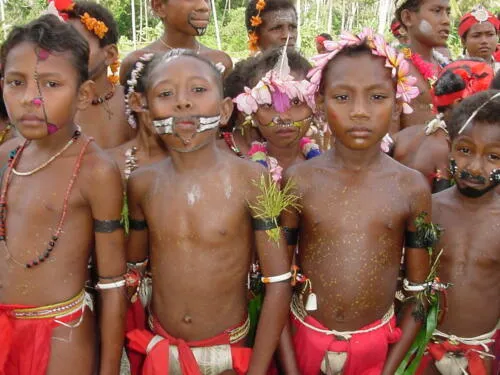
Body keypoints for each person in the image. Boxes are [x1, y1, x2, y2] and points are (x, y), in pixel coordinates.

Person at [124, 49, 292, 374]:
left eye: (198, 90)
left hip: (229, 355)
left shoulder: (252, 180)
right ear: (146, 110)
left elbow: (279, 282)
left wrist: (256, 369)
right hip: (162, 350)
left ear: (226, 109)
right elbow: (134, 271)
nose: (183, 103)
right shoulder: (142, 184)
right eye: (165, 93)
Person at [278, 29, 435, 375]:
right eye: (343, 97)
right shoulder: (299, 180)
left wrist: (388, 368)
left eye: (377, 97)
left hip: (378, 351)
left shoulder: (411, 187)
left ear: (397, 102)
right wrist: (290, 367)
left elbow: (419, 292)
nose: (360, 112)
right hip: (305, 343)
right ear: (320, 103)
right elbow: (277, 284)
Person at [0, 14, 127, 375]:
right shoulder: (7, 155)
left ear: (83, 94)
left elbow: (113, 284)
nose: (30, 99)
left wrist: (108, 370)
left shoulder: (95, 170)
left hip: (62, 335)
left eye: (51, 84)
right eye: (16, 82)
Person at [416, 90, 500, 375]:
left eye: (493, 157)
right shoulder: (429, 209)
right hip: (424, 351)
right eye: (464, 150)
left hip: (483, 353)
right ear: (449, 147)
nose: (475, 167)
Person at [393, 59, 494, 193]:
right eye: (485, 102)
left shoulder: (404, 135)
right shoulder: (453, 151)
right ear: (459, 103)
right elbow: (445, 207)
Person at [57, 0, 135, 149]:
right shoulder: (59, 107)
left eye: (78, 46)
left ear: (110, 54)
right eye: (62, 46)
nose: (67, 55)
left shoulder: (132, 104)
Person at [233, 47, 320, 178]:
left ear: (314, 106)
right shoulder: (242, 173)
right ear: (253, 113)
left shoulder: (327, 166)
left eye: (296, 102)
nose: (283, 117)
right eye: (268, 105)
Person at [119, 0, 232, 84]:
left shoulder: (221, 62)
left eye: (207, 0)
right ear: (159, 6)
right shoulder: (137, 64)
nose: (204, 6)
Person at [395, 0, 451, 130]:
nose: (446, 20)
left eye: (448, 12)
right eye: (437, 11)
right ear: (407, 18)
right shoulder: (393, 67)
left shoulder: (448, 67)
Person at [458, 5, 500, 73]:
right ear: (463, 41)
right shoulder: (455, 72)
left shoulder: (498, 70)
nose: (484, 41)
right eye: (476, 36)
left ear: (497, 36)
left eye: (490, 34)